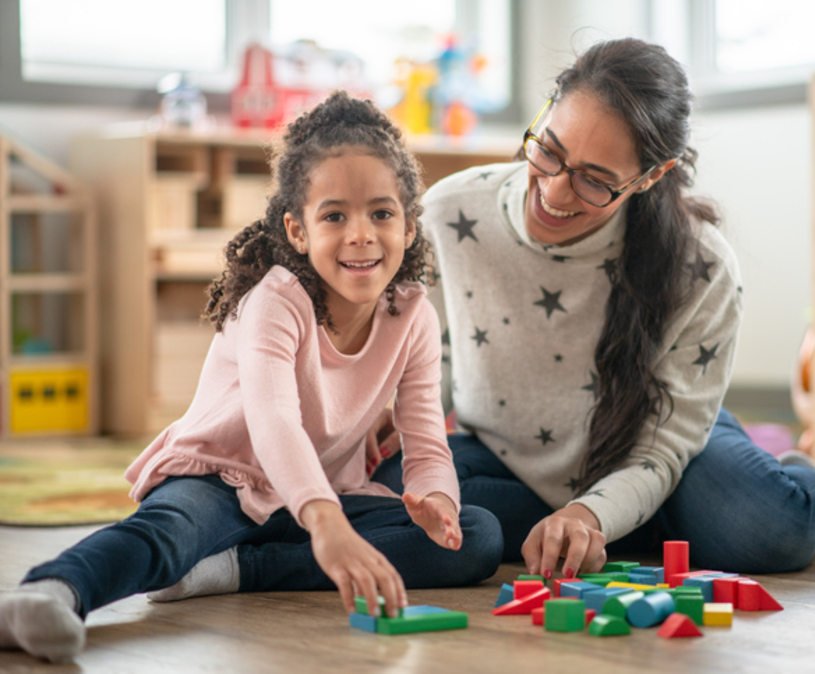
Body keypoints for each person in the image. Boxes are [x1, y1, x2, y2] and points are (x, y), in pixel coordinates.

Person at [0, 91, 502, 664]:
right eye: (334, 215)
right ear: (297, 231)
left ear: (410, 227)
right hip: (224, 478)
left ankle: (234, 570)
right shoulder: (277, 300)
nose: (361, 234)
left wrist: (435, 498)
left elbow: (426, 440)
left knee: (476, 537)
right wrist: (326, 523)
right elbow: (273, 422)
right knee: (168, 534)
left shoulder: (412, 313)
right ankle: (49, 592)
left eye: (381, 214)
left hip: (318, 497)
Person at [368, 37, 815, 580]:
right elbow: (427, 355)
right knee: (394, 489)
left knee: (772, 533)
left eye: (595, 180)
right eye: (550, 151)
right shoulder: (449, 212)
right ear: (544, 114)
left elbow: (667, 441)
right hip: (511, 452)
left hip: (659, 446)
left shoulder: (703, 264)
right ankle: (635, 526)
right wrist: (398, 413)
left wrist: (592, 511)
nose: (555, 190)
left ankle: (659, 506)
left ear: (650, 177)